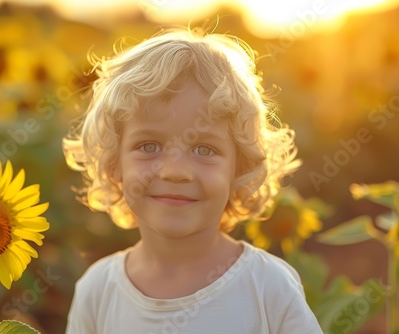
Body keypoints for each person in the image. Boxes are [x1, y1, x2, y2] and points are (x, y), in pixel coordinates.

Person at [63, 27, 323, 333]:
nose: (175, 171)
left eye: (204, 149)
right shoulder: (97, 291)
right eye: (149, 146)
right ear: (114, 164)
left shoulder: (268, 288)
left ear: (239, 168)